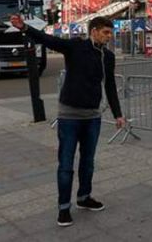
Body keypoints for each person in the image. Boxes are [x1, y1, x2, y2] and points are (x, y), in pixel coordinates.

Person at [10, 15, 126, 227]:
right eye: (105, 32)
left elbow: (109, 86)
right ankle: (64, 208)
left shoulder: (108, 57)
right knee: (66, 164)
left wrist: (118, 114)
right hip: (69, 116)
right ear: (94, 31)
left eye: (111, 33)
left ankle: (84, 198)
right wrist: (25, 27)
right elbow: (49, 40)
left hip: (92, 117)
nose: (109, 37)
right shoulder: (75, 47)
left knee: (88, 162)